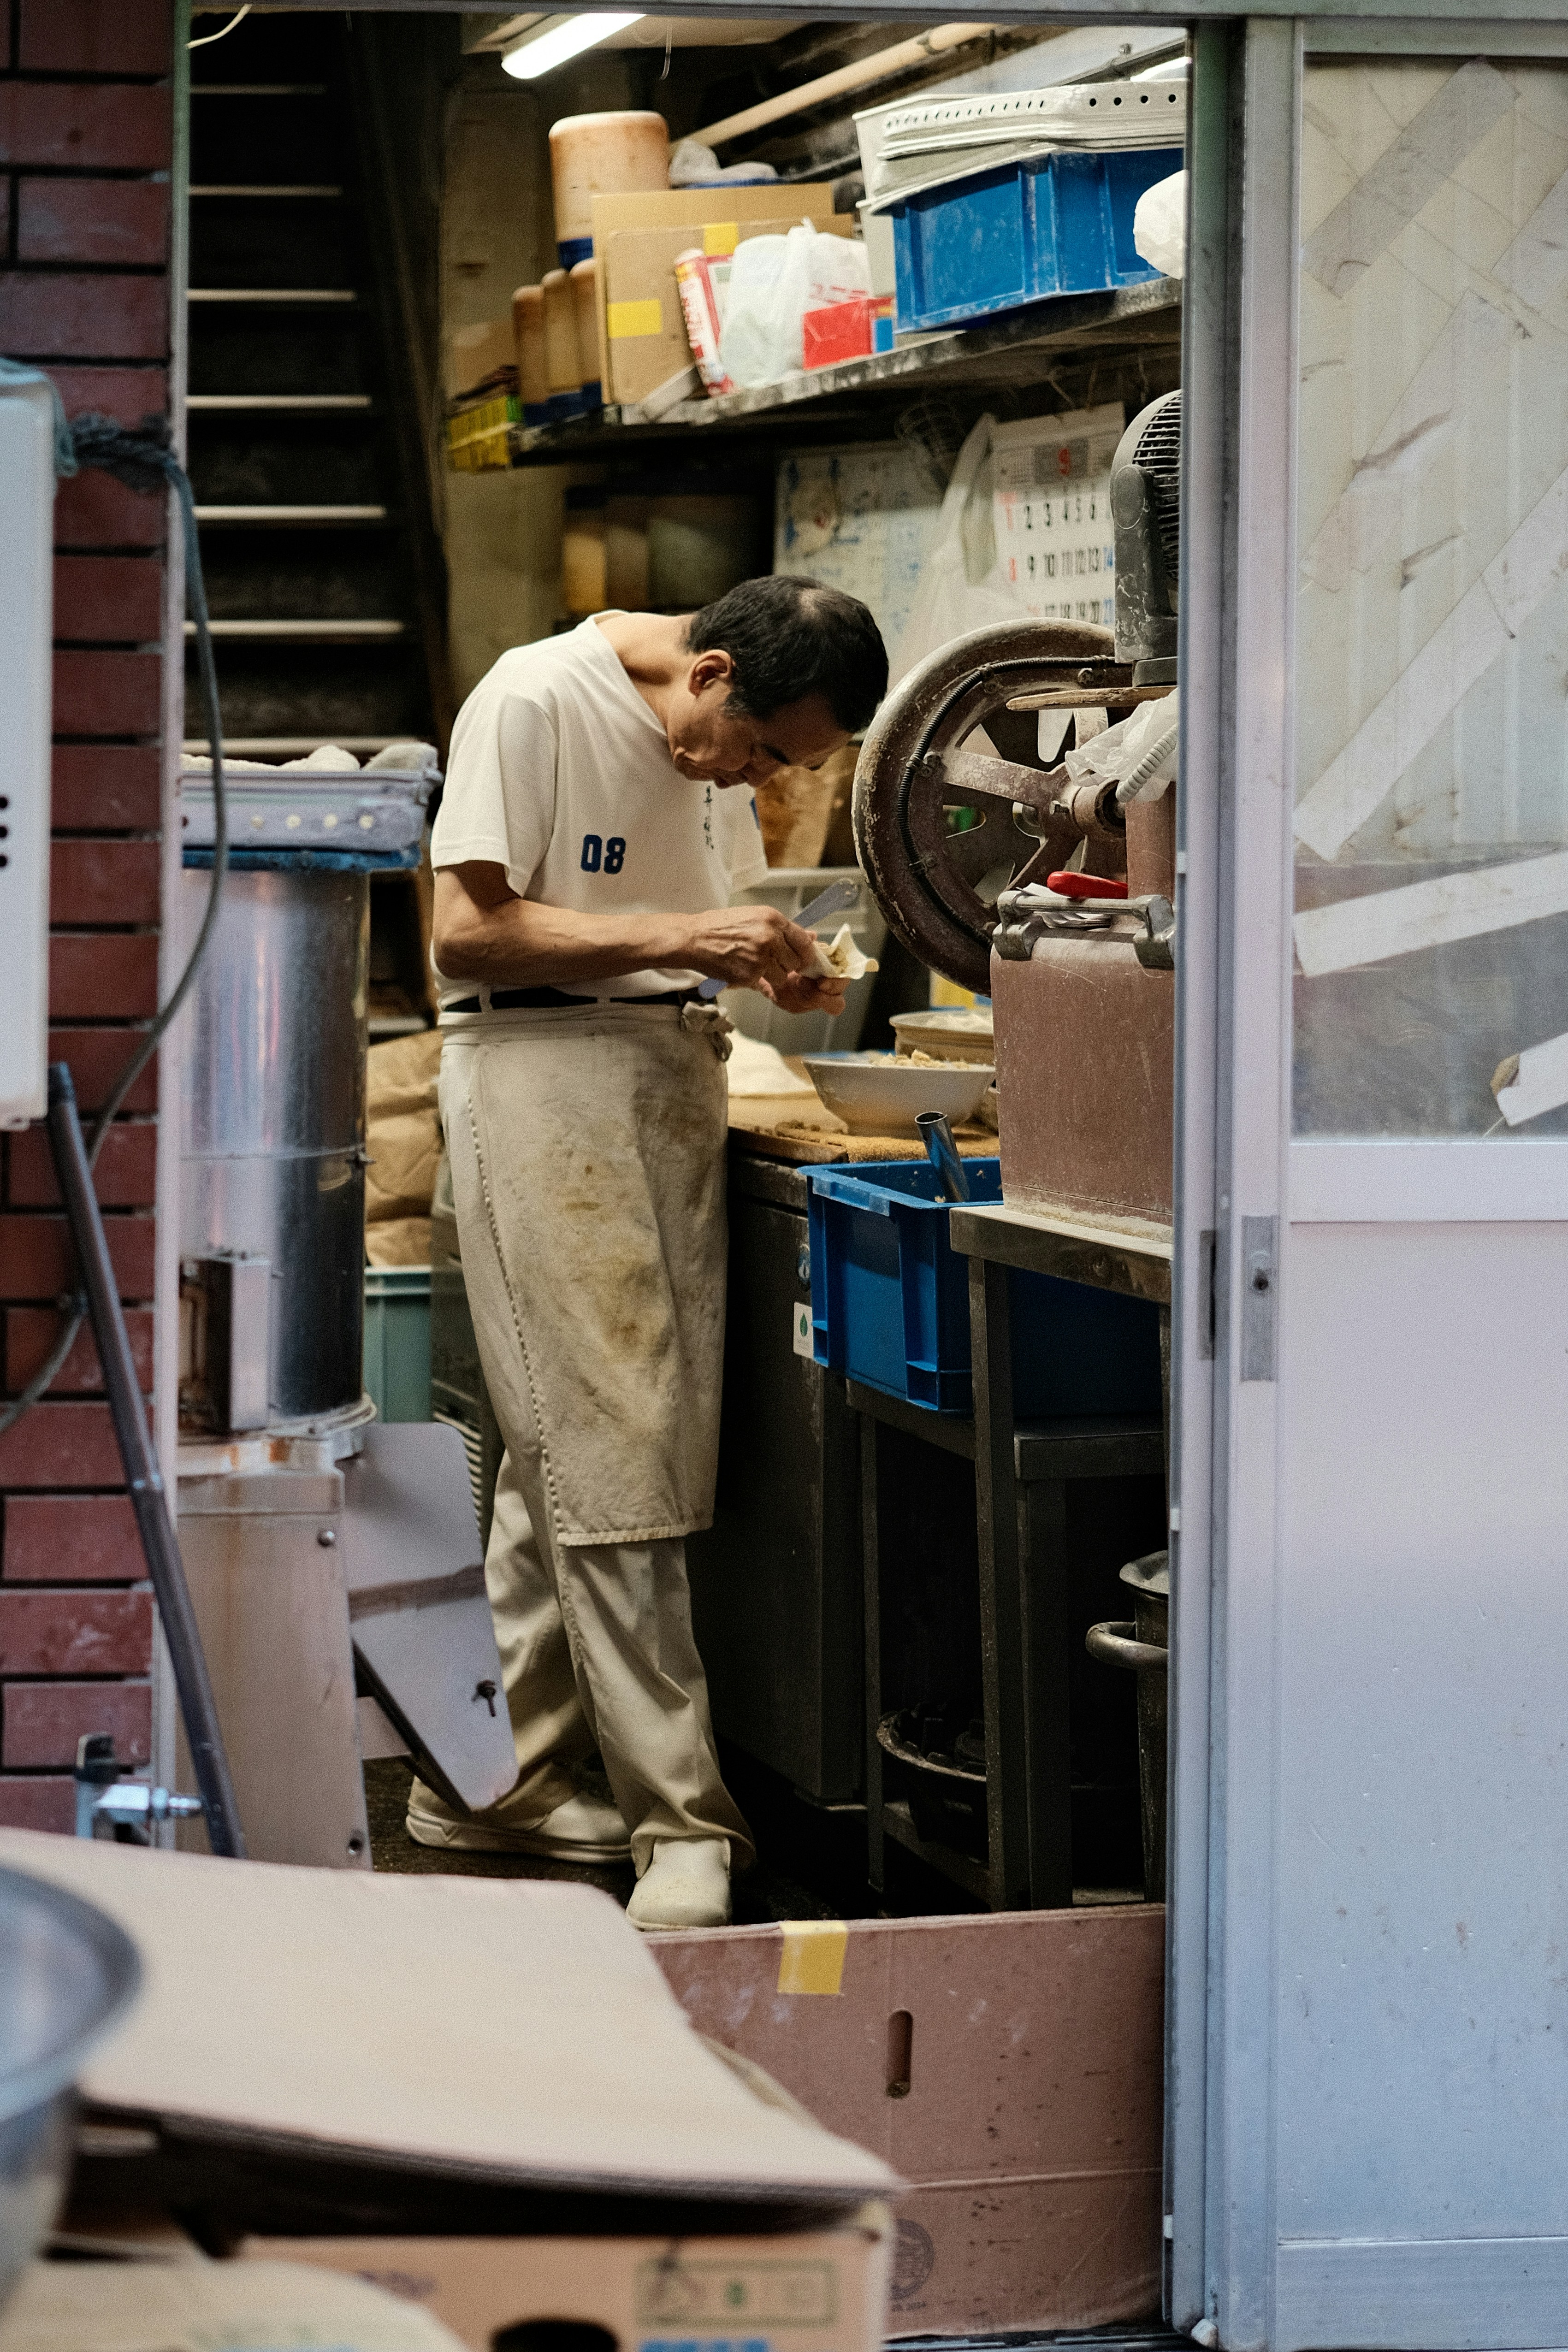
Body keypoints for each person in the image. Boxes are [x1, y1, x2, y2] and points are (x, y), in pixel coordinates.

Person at [407, 576, 889, 1929]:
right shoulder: (533, 695)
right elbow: (466, 933)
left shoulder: (713, 737)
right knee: (613, 1445)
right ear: (711, 669)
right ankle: (683, 1820)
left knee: (576, 1445)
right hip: (536, 1072)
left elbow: (660, 928)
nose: (748, 775)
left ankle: (487, 1786)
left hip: (669, 1066)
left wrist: (747, 965)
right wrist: (690, 937)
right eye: (756, 748)